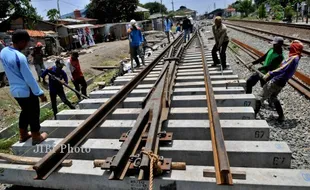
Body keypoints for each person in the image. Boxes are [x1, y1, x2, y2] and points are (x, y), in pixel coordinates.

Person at [0, 30, 48, 145]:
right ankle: (36, 136)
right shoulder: (20, 57)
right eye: (26, 42)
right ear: (21, 42)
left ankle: (23, 134)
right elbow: (29, 78)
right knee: (34, 112)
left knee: (25, 112)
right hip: (26, 91)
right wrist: (40, 93)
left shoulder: (4, 51)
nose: (27, 45)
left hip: (15, 91)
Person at [255, 40, 304, 121]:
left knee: (260, 97)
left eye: (291, 47)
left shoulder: (293, 58)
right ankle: (281, 116)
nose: (290, 49)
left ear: (294, 48)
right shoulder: (297, 57)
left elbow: (282, 68)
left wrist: (270, 74)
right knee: (273, 97)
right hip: (282, 82)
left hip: (277, 80)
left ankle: (252, 116)